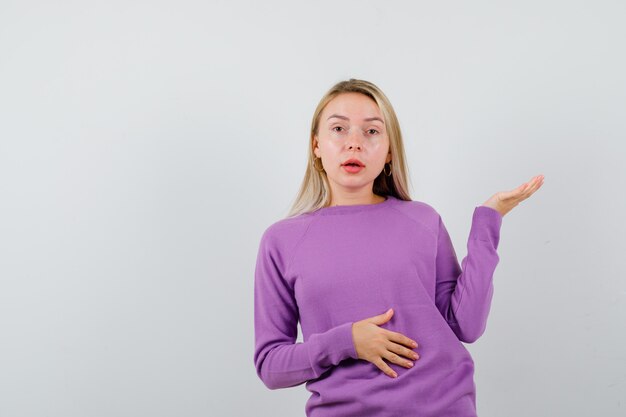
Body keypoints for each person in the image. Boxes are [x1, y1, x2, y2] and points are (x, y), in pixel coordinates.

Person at [252, 78, 544, 416]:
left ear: (390, 150)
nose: (354, 144)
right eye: (338, 129)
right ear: (316, 145)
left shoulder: (422, 220)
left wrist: (489, 221)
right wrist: (347, 342)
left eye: (372, 131)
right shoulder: (281, 241)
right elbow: (271, 366)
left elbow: (467, 325)